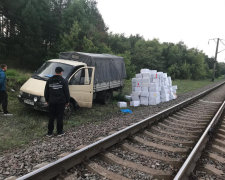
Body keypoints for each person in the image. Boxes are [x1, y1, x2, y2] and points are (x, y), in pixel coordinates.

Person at [44, 66, 70, 136]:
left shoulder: (49, 80)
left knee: (51, 117)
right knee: (60, 117)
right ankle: (59, 132)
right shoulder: (64, 81)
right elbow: (66, 92)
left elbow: (46, 91)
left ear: (55, 72)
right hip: (61, 102)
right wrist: (67, 101)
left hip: (51, 102)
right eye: (62, 72)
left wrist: (47, 100)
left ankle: (49, 133)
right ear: (61, 72)